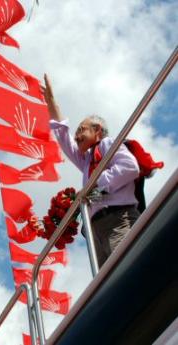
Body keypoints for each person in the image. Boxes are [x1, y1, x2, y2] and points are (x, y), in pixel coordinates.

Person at [43, 74, 140, 269]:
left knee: (126, 270)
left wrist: (93, 186)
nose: (77, 136)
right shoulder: (88, 160)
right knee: (107, 284)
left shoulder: (107, 144)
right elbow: (64, 138)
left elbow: (130, 168)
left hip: (118, 219)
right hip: (96, 228)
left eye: (81, 130)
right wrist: (52, 104)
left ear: (97, 130)